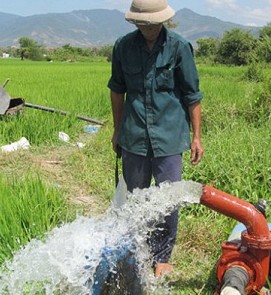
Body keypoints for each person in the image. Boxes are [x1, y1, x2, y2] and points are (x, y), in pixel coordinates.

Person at [107, 0, 204, 277]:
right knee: (135, 196)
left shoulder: (179, 47)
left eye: (152, 22)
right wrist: (117, 130)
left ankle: (162, 256)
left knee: (168, 198)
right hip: (134, 134)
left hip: (170, 136)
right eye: (142, 23)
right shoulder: (123, 47)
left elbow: (192, 95)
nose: (148, 27)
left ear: (163, 20)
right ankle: (137, 249)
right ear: (135, 22)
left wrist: (196, 137)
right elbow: (117, 90)